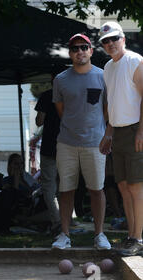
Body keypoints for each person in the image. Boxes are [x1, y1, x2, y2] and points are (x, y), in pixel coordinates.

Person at [51, 33, 111, 250]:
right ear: (70, 53)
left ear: (91, 51)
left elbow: (107, 110)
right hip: (66, 142)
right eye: (75, 48)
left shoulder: (103, 76)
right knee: (66, 190)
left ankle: (100, 235)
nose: (80, 51)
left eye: (84, 47)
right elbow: (61, 111)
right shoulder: (60, 79)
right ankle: (64, 235)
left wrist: (100, 131)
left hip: (95, 143)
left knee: (97, 189)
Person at [98, 21, 143, 256]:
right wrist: (108, 132)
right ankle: (131, 236)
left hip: (136, 129)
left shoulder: (135, 61)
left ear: (123, 39)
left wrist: (141, 131)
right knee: (124, 186)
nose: (110, 44)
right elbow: (113, 103)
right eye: (105, 41)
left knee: (136, 187)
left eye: (114, 39)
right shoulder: (107, 67)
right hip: (118, 132)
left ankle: (138, 238)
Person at [35, 74, 62, 235]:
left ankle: (57, 221)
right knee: (66, 187)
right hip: (67, 144)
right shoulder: (69, 95)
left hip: (49, 146)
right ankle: (66, 219)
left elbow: (39, 121)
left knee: (49, 187)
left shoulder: (46, 96)